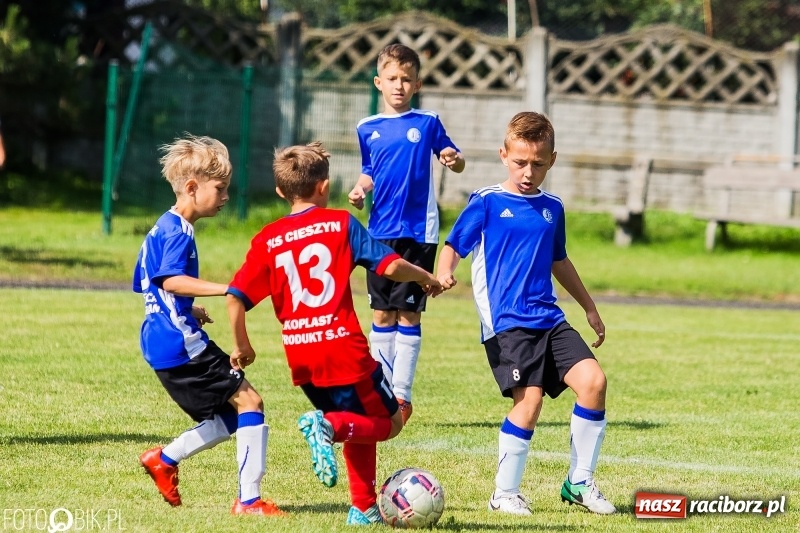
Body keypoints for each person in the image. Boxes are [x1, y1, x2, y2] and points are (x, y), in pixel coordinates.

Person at [226, 142, 443, 526]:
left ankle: (363, 508)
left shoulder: (268, 239)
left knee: (356, 421)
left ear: (280, 191)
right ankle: (327, 427)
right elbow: (389, 266)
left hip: (301, 354)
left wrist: (242, 345)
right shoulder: (341, 224)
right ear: (325, 187)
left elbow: (235, 298)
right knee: (390, 423)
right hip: (344, 349)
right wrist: (424, 276)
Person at [436, 112, 616, 516]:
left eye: (537, 162)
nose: (528, 171)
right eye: (520, 162)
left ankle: (579, 482)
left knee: (593, 382)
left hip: (548, 318)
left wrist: (588, 306)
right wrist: (444, 271)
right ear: (504, 155)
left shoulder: (552, 207)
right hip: (506, 323)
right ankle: (504, 493)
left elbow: (560, 260)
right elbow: (453, 244)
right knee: (529, 400)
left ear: (552, 159)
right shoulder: (486, 202)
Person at [133, 135, 283, 516]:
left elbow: (146, 283)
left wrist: (188, 308)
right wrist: (225, 289)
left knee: (232, 415)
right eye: (220, 189)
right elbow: (168, 280)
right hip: (181, 343)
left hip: (160, 338)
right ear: (192, 187)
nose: (226, 196)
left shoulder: (159, 228)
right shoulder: (179, 231)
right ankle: (248, 500)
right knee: (251, 402)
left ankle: (164, 459)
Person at [347, 43, 465, 424]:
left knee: (409, 313)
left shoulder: (427, 122)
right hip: (380, 232)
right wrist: (360, 189)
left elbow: (454, 158)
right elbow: (370, 170)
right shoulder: (367, 128)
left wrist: (453, 158)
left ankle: (402, 395)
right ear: (379, 82)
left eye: (407, 79)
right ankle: (381, 391)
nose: (399, 85)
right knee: (382, 313)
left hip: (419, 232)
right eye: (392, 78)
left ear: (417, 84)